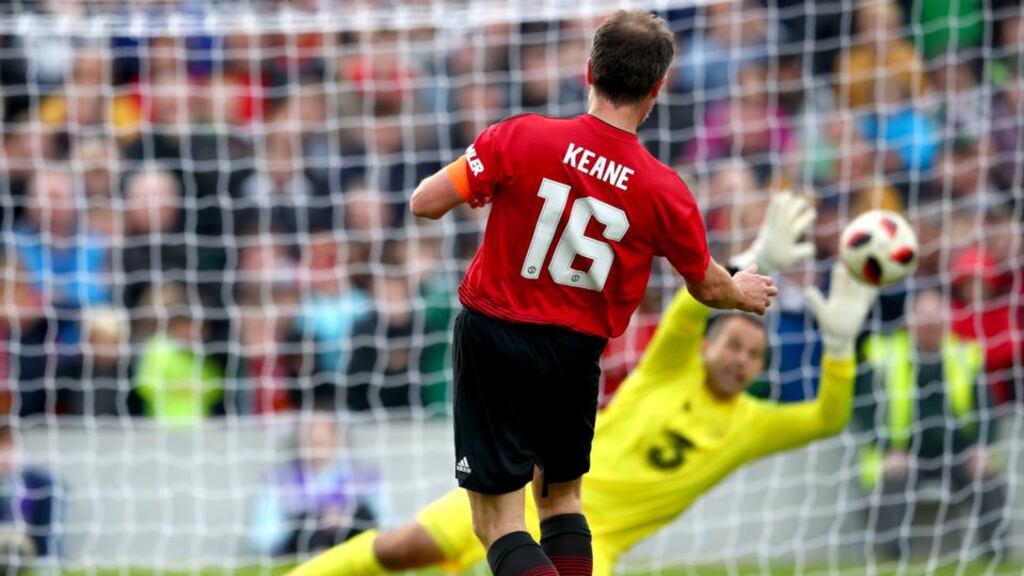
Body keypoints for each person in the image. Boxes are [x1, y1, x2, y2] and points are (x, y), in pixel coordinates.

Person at [287, 193, 875, 576]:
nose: (742, 359)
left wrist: (842, 346)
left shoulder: (750, 424)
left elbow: (825, 419)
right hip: (524, 490)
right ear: (709, 346)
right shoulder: (670, 369)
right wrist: (749, 260)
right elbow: (690, 310)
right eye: (735, 344)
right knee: (400, 549)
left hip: (595, 542)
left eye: (753, 355)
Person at [407, 10, 778, 576]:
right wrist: (743, 291)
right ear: (657, 88)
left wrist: (482, 187)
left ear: (588, 71)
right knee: (561, 501)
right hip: (575, 355)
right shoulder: (664, 190)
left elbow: (425, 203)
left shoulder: (522, 136)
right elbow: (705, 285)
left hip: (496, 336)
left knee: (498, 522)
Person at [856, 289, 1007, 560]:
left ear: (946, 319)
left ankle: (996, 554)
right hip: (904, 453)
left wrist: (981, 447)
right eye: (922, 317)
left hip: (957, 452)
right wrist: (888, 448)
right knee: (894, 477)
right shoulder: (884, 353)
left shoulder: (965, 353)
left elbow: (988, 409)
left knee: (986, 473)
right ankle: (894, 557)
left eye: (935, 317)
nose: (929, 324)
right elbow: (866, 409)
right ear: (909, 320)